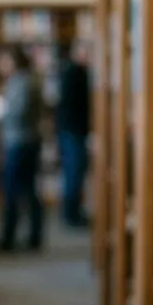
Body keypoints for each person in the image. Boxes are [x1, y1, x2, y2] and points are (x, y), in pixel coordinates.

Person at [0, 43, 44, 251]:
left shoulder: (21, 81)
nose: (1, 65)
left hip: (19, 141)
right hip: (28, 139)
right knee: (29, 189)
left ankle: (9, 237)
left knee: (12, 190)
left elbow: (18, 111)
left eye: (3, 60)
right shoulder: (30, 78)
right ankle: (33, 235)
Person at [57, 41, 90, 226]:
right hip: (73, 131)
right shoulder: (73, 74)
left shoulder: (75, 73)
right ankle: (71, 214)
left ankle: (73, 211)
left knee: (75, 173)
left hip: (73, 131)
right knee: (73, 173)